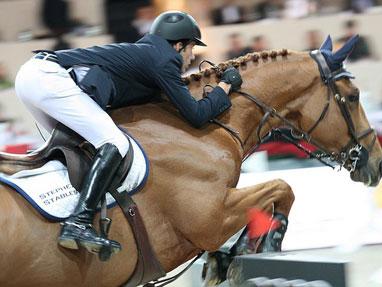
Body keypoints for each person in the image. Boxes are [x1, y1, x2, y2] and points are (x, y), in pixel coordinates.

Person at [14, 11, 242, 255]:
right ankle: (78, 223)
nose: (191, 56)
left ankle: (56, 214)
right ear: (178, 45)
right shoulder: (165, 59)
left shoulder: (148, 54)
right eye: (191, 49)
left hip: (32, 77)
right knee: (115, 143)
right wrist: (225, 86)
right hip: (48, 78)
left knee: (79, 148)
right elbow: (196, 115)